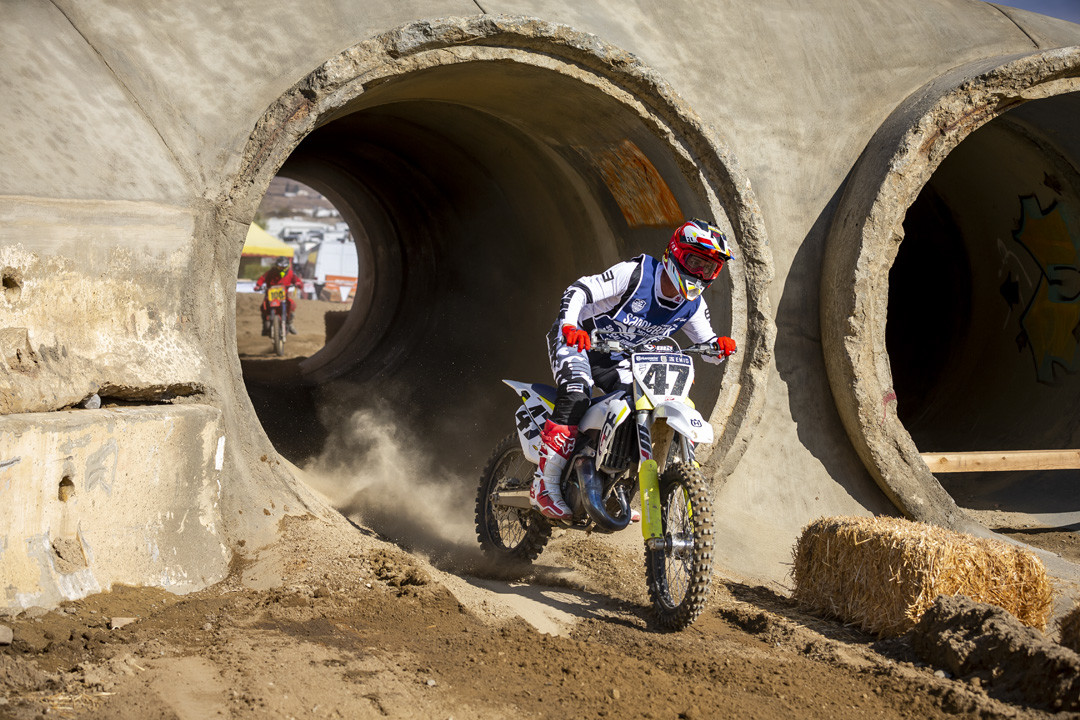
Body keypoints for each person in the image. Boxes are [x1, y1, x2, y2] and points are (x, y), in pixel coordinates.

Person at [531, 219, 738, 520]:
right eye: (695, 262)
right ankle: (545, 485)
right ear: (676, 254)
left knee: (645, 404)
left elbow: (708, 350)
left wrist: (719, 346)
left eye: (709, 268)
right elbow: (579, 290)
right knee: (576, 394)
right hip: (579, 343)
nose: (700, 274)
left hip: (620, 358)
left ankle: (612, 481)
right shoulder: (638, 273)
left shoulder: (692, 305)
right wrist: (569, 326)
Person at [254, 257, 305, 336]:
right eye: (280, 267)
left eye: (284, 267)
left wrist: (298, 284)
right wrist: (258, 285)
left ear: (287, 266)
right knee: (263, 307)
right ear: (276, 266)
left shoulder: (290, 273)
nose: (282, 268)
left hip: (283, 297)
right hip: (270, 296)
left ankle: (290, 323)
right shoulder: (271, 272)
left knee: (292, 304)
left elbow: (297, 281)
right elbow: (262, 278)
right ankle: (265, 325)